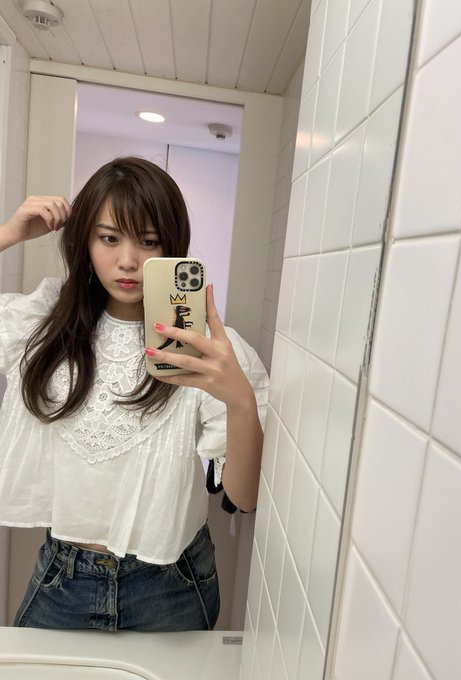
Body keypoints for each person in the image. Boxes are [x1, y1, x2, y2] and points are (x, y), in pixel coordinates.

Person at [0, 156, 268, 632]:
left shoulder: (209, 348)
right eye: (109, 238)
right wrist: (7, 234)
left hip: (172, 584)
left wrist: (241, 400)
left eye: (148, 241)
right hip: (62, 579)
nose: (128, 261)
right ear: (85, 240)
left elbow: (244, 497)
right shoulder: (43, 321)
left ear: (172, 246)